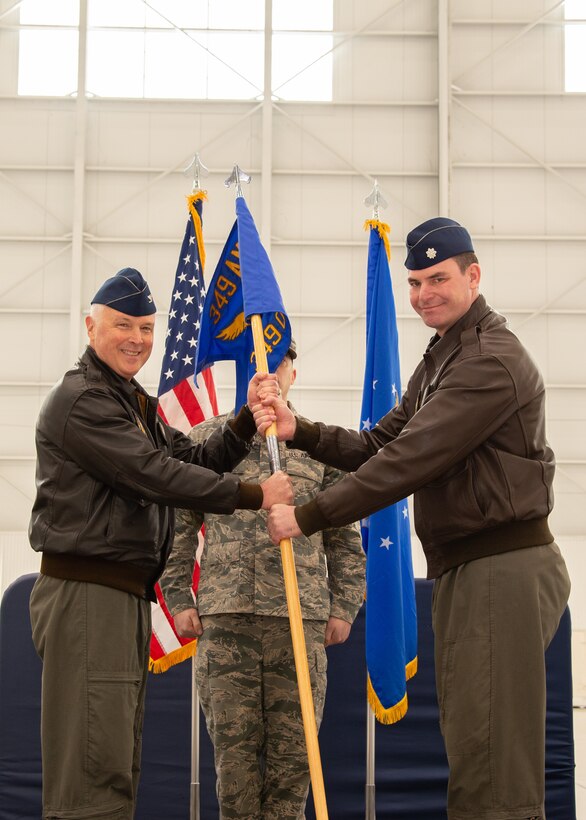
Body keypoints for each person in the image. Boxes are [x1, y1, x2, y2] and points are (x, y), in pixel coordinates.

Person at [255, 218, 571, 820]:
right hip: (470, 569)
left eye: (439, 278)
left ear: (473, 277)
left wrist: (307, 517)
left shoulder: (487, 359)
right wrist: (304, 431)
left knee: (496, 769)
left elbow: (406, 462)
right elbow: (381, 441)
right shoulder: (445, 354)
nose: (425, 293)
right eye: (416, 282)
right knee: (476, 748)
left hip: (501, 568)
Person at [28, 267, 292, 820]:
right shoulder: (84, 401)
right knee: (91, 774)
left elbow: (189, 460)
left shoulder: (131, 401)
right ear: (90, 326)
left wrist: (244, 421)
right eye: (124, 325)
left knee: (114, 761)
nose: (138, 340)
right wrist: (255, 494)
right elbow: (155, 475)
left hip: (118, 597)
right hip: (87, 596)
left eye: (148, 328)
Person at [159, 339, 365, 820]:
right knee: (234, 766)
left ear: (294, 373)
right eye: (258, 366)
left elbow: (345, 537)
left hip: (300, 622)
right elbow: (177, 525)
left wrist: (343, 606)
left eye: (279, 364)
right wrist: (177, 597)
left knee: (295, 763)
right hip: (225, 621)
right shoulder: (209, 441)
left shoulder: (317, 444)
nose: (269, 375)